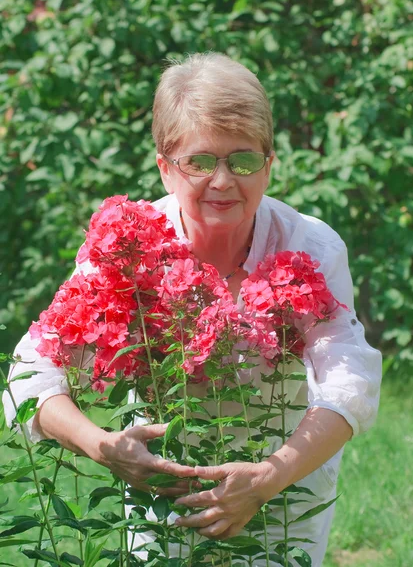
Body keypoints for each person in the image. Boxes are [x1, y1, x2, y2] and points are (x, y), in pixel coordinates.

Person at [3, 53, 382, 566]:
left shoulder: (312, 246)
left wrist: (268, 478)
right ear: (165, 167)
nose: (223, 181)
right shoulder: (125, 245)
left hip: (284, 491)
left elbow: (349, 383)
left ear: (269, 165)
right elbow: (30, 371)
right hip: (162, 489)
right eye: (200, 162)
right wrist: (101, 444)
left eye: (243, 160)